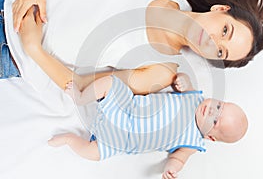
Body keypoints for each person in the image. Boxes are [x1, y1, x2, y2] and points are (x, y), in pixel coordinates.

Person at [9, 0, 263, 94]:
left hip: (11, 49)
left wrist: (33, 47)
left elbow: (82, 86)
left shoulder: (161, 70)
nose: (213, 40)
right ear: (220, 9)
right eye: (225, 30)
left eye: (220, 51)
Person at [47, 72, 248, 179]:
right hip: (127, 107)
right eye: (219, 105)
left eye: (215, 120)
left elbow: (178, 158)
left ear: (211, 137)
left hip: (122, 139)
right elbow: (185, 81)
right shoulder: (194, 97)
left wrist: (172, 169)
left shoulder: (192, 142)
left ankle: (69, 140)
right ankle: (81, 97)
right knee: (110, 83)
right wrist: (182, 81)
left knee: (94, 153)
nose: (212, 110)